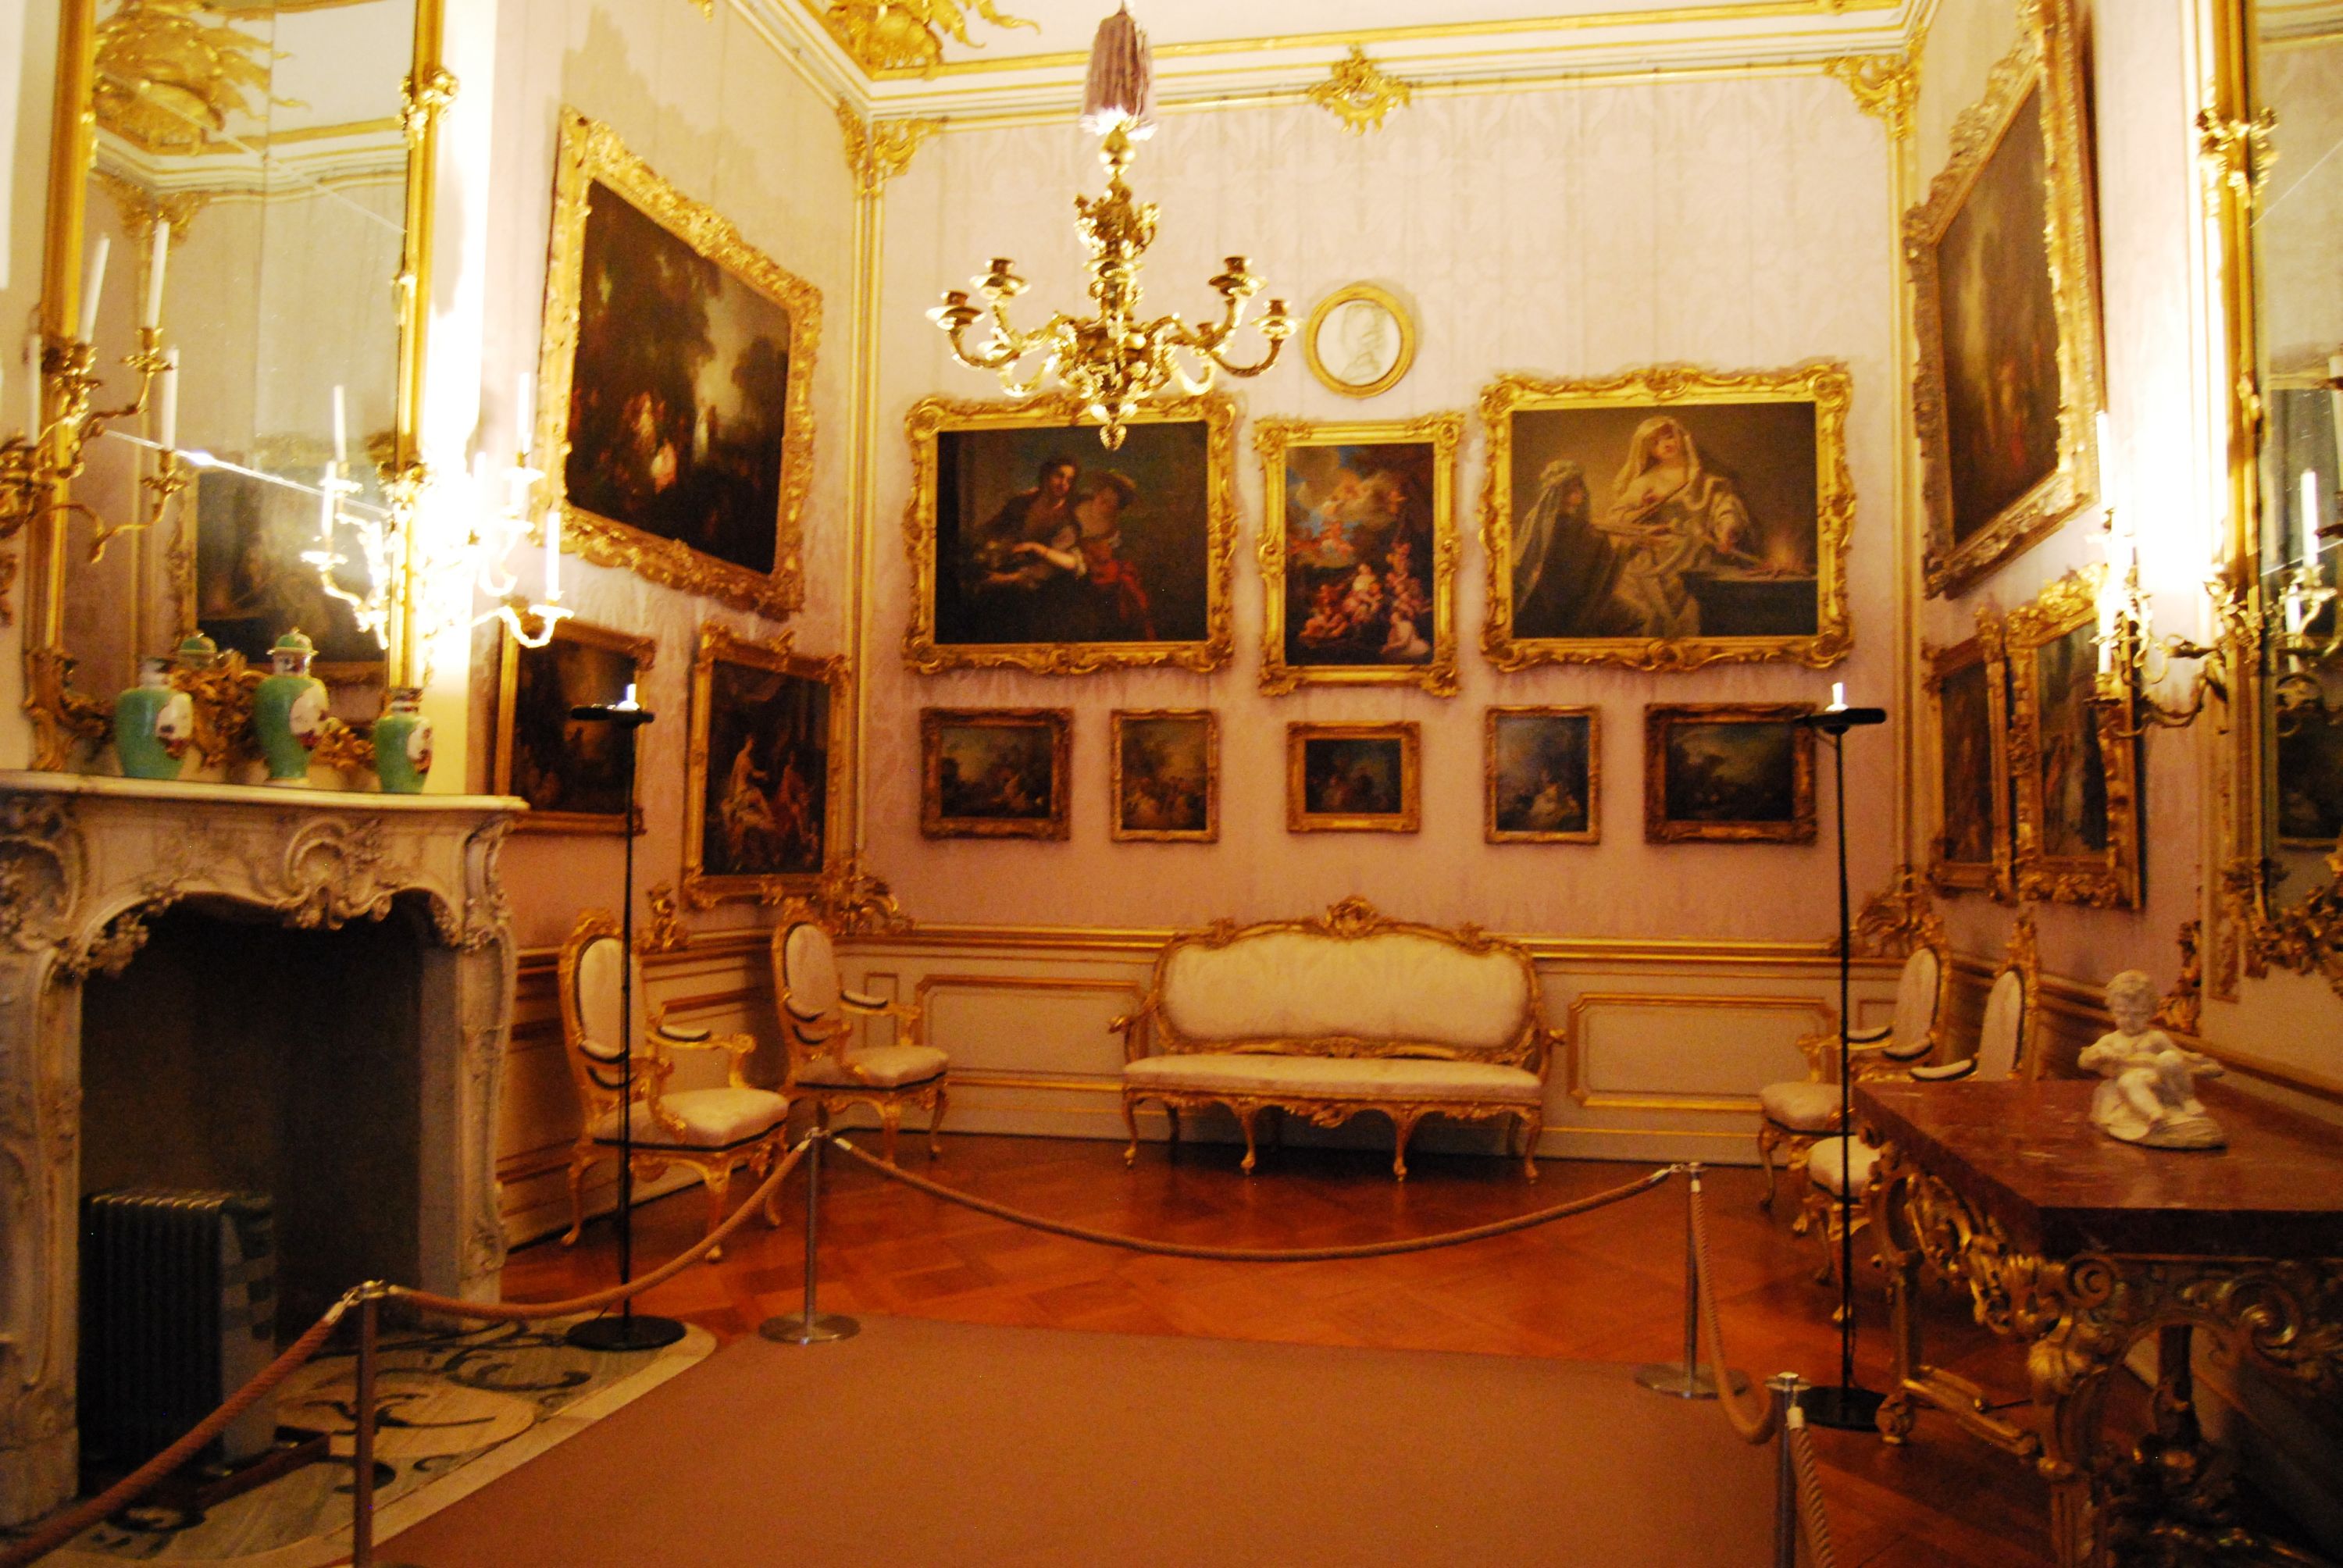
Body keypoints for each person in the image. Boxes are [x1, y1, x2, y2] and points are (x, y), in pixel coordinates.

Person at [1595, 416, 1760, 639]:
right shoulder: (1645, 482)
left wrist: (1728, 530)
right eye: (1656, 443)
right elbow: (1617, 517)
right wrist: (1645, 508)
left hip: (1695, 554)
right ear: (1649, 451)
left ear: (1681, 436)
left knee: (1696, 605)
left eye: (1668, 436)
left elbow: (1725, 508)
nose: (1665, 444)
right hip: (1654, 555)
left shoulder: (1704, 481)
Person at [2077, 971, 2224, 1149]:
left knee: (2169, 1058)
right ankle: (2155, 1114)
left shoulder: (2155, 1038)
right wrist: (2098, 1055)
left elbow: (2180, 1056)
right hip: (2135, 1085)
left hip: (2161, 1081)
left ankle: (2186, 1100)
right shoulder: (2111, 1040)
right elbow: (2084, 1061)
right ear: (2112, 1011)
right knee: (2128, 1081)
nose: (2130, 1020)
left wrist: (2199, 1064)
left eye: (2138, 1014)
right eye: (2122, 1014)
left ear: (2152, 1012)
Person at [1510, 458, 1627, 640]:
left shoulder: (1576, 523)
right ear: (1559, 492)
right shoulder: (1544, 520)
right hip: (1551, 596)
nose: (1579, 492)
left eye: (1580, 487)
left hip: (1572, 590)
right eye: (1572, 489)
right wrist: (1618, 548)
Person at [1071, 471, 1153, 640]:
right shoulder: (1078, 503)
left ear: (1116, 509)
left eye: (1109, 503)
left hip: (1078, 562)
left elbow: (1102, 556)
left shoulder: (1111, 530)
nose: (1101, 502)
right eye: (1101, 496)